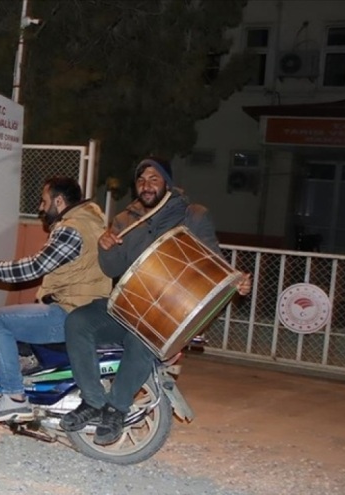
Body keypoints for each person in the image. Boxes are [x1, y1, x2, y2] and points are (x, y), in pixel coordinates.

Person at [60, 157, 252, 444]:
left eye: (153, 179)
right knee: (78, 321)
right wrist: (106, 248)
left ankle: (116, 408)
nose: (146, 186)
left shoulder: (192, 215)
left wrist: (237, 282)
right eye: (140, 180)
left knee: (144, 338)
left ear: (167, 182)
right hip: (124, 307)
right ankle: (93, 401)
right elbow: (112, 269)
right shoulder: (125, 220)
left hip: (163, 316)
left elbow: (214, 262)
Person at [0, 177, 112, 423]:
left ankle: (14, 397)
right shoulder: (92, 222)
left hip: (70, 312)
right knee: (21, 317)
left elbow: (35, 267)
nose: (41, 208)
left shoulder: (72, 228)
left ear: (59, 200)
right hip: (84, 308)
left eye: (45, 202)